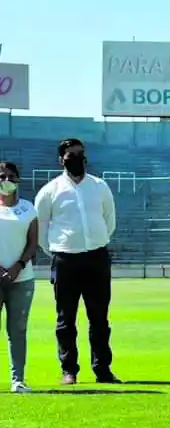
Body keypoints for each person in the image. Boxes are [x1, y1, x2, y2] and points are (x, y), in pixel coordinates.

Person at [34, 138, 119, 385]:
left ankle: (102, 369)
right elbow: (41, 229)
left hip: (96, 257)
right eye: (71, 155)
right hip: (65, 260)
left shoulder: (100, 186)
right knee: (65, 319)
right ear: (61, 160)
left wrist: (95, 242)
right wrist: (57, 251)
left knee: (100, 318)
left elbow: (109, 220)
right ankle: (68, 370)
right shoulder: (49, 191)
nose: (77, 159)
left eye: (80, 154)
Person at [0, 162, 39, 393]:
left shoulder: (28, 208)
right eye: (1, 176)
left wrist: (18, 266)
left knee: (17, 330)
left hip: (22, 279)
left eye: (10, 176)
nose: (6, 180)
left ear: (17, 180)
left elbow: (33, 243)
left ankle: (18, 380)